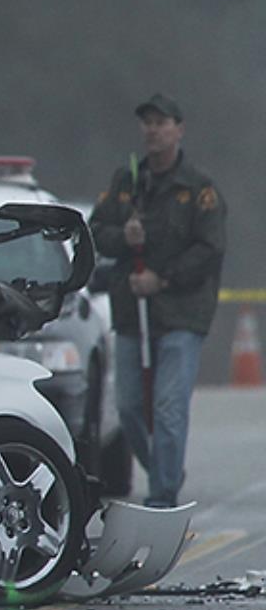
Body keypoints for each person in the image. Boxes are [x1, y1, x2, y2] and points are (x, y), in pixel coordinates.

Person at [87, 93, 225, 508]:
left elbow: (210, 248)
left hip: (182, 313)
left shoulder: (198, 188)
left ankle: (162, 497)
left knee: (168, 407)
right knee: (129, 407)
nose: (153, 130)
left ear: (179, 130)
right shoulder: (126, 182)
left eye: (161, 123)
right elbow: (96, 230)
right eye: (147, 122)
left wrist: (162, 280)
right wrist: (123, 238)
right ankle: (165, 469)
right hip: (132, 313)